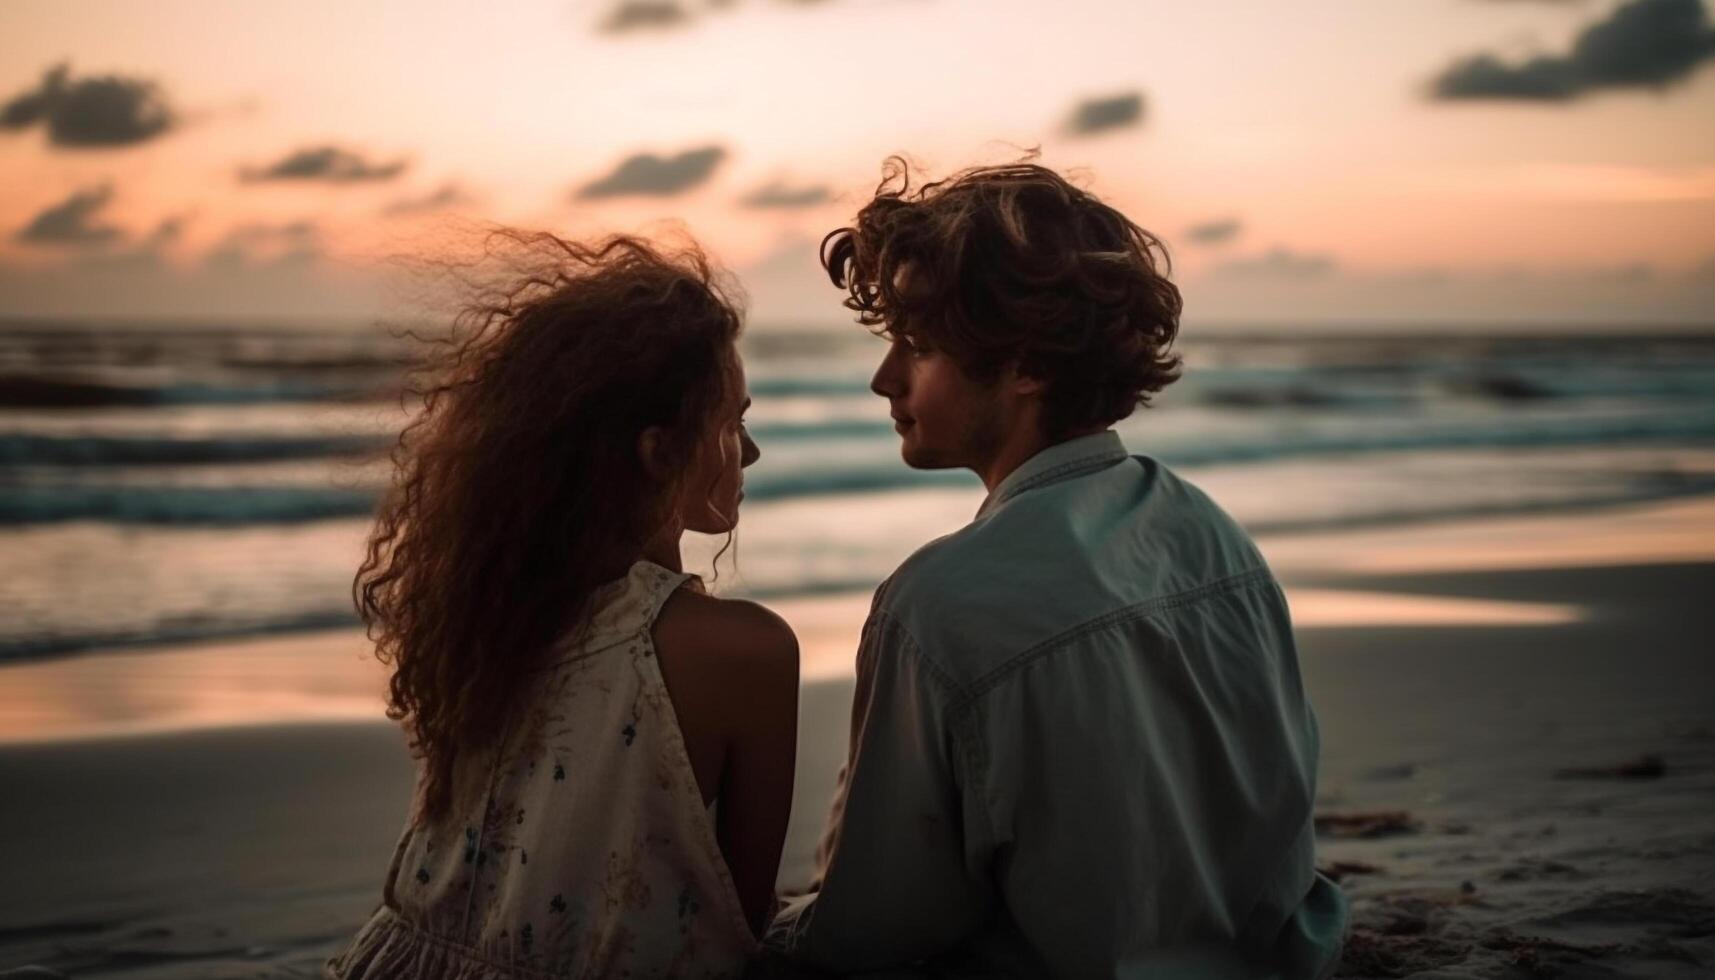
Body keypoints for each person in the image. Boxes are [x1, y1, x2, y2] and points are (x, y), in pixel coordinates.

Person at [766, 161, 1348, 978]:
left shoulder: (939, 603)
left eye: (919, 348)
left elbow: (879, 926)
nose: (883, 378)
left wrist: (780, 937)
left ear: (1028, 365)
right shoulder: (1215, 537)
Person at [326, 231, 800, 979]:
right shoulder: (746, 650)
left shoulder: (489, 616)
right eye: (730, 422)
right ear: (656, 452)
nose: (749, 452)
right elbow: (736, 924)